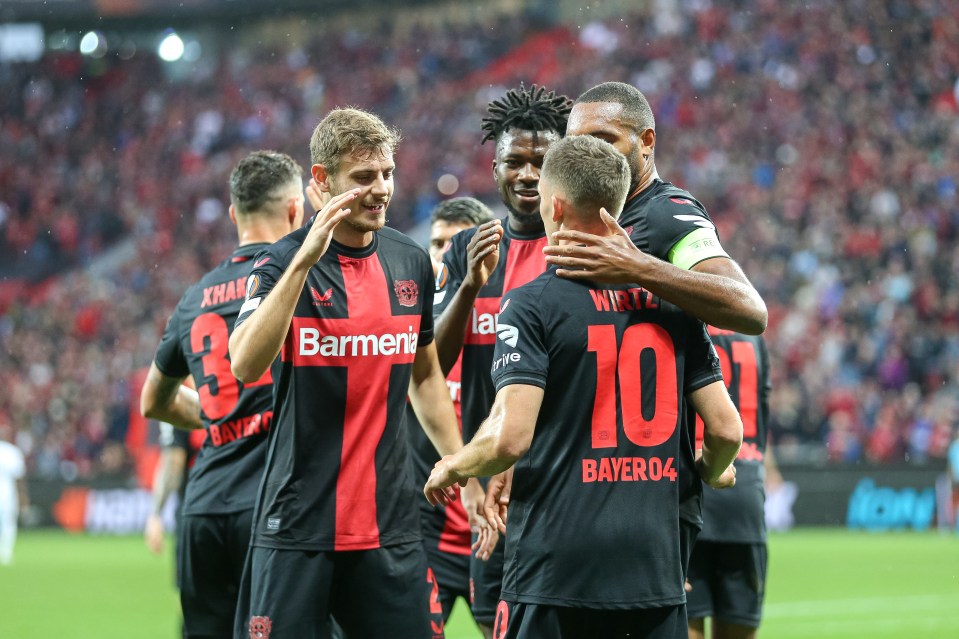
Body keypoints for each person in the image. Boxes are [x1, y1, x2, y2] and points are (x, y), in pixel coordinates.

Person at [425, 134, 743, 639]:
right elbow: (726, 429)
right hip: (654, 567)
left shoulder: (531, 304)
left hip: (556, 567)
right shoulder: (672, 300)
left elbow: (510, 439)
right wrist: (710, 470)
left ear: (554, 206)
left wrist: (454, 465)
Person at [228, 107, 485, 639]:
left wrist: (460, 463)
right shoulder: (281, 262)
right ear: (320, 182)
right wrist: (303, 260)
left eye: (387, 174)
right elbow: (245, 363)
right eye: (363, 178)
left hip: (390, 526)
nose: (381, 189)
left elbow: (426, 376)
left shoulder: (409, 261)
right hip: (299, 524)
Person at [537, 80, 768, 576]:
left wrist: (639, 266)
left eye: (605, 138)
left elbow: (749, 309)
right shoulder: (583, 212)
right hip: (578, 484)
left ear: (646, 142)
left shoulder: (667, 215)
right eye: (576, 141)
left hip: (649, 493)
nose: (588, 153)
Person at [140, 150, 307, 638]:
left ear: (234, 214)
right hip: (275, 505)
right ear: (296, 210)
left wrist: (218, 416)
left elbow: (154, 402)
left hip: (205, 506)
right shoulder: (302, 280)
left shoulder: (195, 297)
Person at [432, 83, 571, 637]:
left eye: (543, 160)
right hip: (490, 500)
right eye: (515, 160)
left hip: (564, 489)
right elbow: (434, 364)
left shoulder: (586, 247)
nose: (529, 173)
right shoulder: (470, 248)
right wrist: (467, 289)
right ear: (494, 168)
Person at [408, 197, 496, 624]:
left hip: (495, 531)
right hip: (426, 533)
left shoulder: (510, 325)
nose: (443, 254)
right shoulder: (407, 327)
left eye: (455, 243)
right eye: (436, 243)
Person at [687, 329, 772, 639]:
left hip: (688, 491)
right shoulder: (752, 331)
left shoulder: (683, 321)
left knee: (686, 624)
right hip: (745, 492)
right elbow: (761, 416)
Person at [0, 427, 26, 566]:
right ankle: (6, 553)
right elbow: (19, 477)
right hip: (7, 494)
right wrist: (23, 496)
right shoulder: (12, 451)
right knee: (8, 524)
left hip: (6, 493)